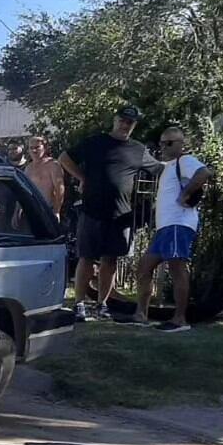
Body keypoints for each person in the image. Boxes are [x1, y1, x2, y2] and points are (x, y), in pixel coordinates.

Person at [60, 106, 160, 321]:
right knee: (86, 258)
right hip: (91, 210)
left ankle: (102, 304)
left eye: (130, 123)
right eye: (122, 120)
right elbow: (65, 158)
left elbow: (160, 169)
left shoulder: (138, 149)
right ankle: (79, 305)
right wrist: (83, 178)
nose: (125, 125)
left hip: (120, 215)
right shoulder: (95, 142)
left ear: (134, 125)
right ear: (115, 120)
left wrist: (184, 165)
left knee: (110, 261)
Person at [119, 126, 211, 331]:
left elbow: (204, 172)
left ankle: (180, 319)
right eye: (161, 143)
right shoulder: (167, 166)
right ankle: (141, 314)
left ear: (181, 144)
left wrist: (185, 194)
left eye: (169, 143)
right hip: (165, 227)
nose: (164, 146)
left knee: (177, 267)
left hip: (178, 223)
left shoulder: (185, 161)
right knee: (143, 268)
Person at [24, 135, 67, 220]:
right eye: (31, 148)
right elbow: (23, 190)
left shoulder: (53, 165)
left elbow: (60, 189)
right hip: (30, 211)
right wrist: (17, 211)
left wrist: (56, 211)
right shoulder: (28, 168)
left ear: (45, 147)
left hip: (48, 211)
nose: (34, 150)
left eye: (37, 147)